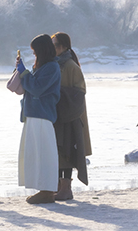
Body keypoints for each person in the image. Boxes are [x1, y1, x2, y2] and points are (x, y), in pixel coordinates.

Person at [16, 34, 61, 204]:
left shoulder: (51, 67)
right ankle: (44, 189)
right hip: (34, 114)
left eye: (35, 52)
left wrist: (24, 73)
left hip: (42, 114)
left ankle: (47, 191)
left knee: (44, 153)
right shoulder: (44, 67)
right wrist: (24, 72)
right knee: (37, 152)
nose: (34, 55)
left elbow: (36, 88)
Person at [51, 32, 90, 201]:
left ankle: (66, 188)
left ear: (65, 46)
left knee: (67, 150)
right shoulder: (54, 64)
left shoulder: (71, 66)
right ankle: (59, 186)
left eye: (56, 45)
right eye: (51, 45)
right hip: (57, 114)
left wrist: (60, 95)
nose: (54, 48)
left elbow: (80, 92)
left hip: (70, 116)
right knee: (57, 150)